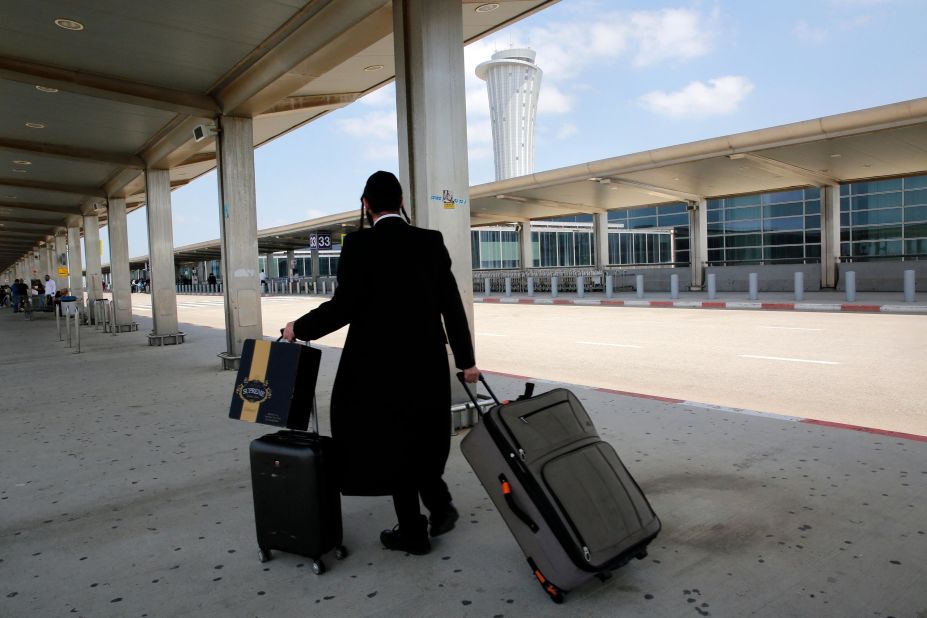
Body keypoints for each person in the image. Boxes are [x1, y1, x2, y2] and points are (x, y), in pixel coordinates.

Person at [283, 171, 479, 556]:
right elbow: (451, 307)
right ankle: (438, 507)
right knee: (420, 435)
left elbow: (344, 307)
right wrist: (466, 362)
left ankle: (414, 532)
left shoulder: (358, 245)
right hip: (425, 363)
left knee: (392, 442)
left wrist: (298, 329)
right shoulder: (430, 241)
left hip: (376, 367)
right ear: (401, 201)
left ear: (366, 204)